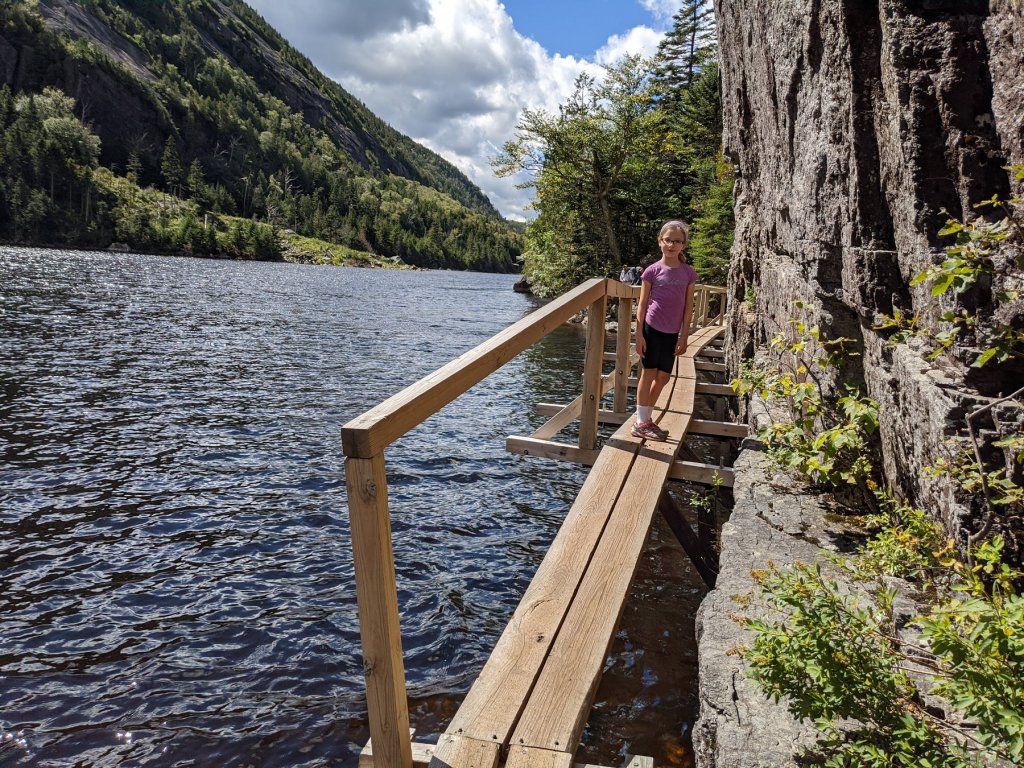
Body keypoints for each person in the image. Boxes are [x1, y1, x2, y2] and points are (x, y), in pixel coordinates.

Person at [632, 220, 697, 441]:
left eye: (677, 241)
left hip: (672, 331)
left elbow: (688, 307)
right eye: (668, 240)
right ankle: (641, 421)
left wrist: (684, 336)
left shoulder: (688, 273)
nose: (672, 244)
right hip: (652, 327)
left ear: (683, 245)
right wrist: (638, 334)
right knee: (648, 373)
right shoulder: (652, 271)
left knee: (664, 377)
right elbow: (641, 305)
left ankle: (645, 419)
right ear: (660, 242)